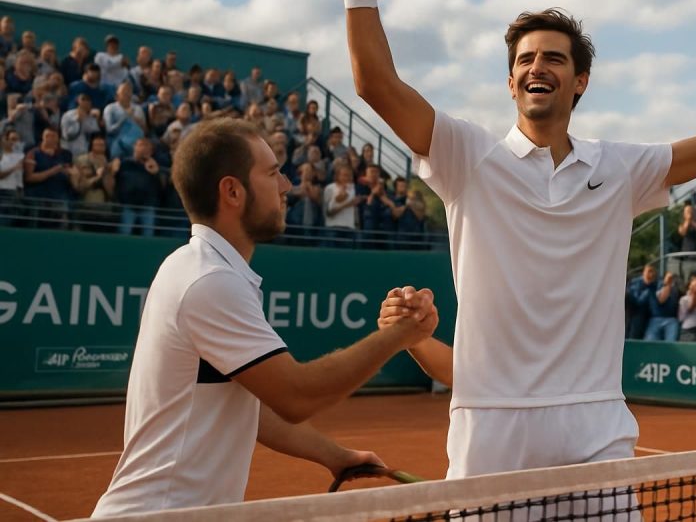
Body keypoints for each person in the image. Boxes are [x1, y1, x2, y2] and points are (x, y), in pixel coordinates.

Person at [342, 0, 696, 478]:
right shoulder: (466, 156)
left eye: (553, 58)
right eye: (525, 60)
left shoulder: (619, 168)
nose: (537, 66)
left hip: (596, 426)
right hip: (491, 428)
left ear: (580, 80)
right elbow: (375, 83)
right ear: (511, 81)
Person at [92, 118, 438, 517]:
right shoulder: (209, 281)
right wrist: (401, 334)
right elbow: (297, 395)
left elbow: (252, 410)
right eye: (273, 173)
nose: (286, 185)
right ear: (233, 191)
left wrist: (336, 455)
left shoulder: (201, 268)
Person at [644, 272, 682, 342]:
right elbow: (661, 300)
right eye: (669, 278)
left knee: (671, 343)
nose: (671, 280)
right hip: (656, 319)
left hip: (671, 320)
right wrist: (667, 284)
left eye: (672, 278)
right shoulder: (658, 286)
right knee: (650, 343)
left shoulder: (675, 290)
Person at [625, 263, 659, 340]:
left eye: (653, 272)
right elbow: (637, 301)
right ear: (644, 272)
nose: (650, 274)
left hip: (650, 315)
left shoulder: (657, 284)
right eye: (648, 271)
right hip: (635, 312)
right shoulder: (635, 283)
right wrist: (647, 292)